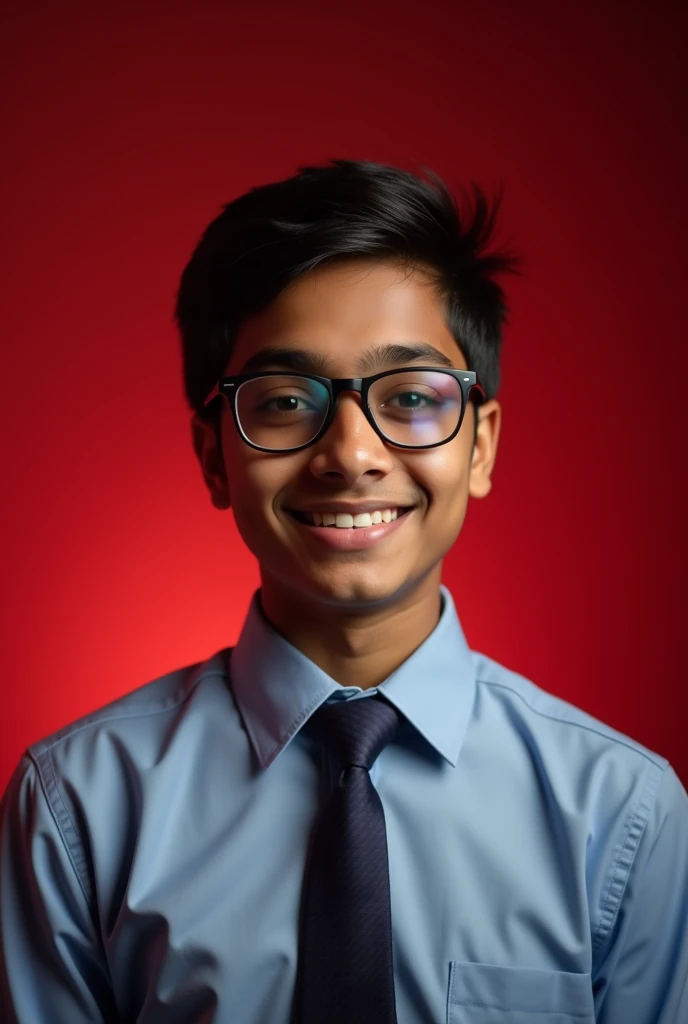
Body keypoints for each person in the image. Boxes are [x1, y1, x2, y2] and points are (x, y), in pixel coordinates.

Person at [1, 160, 686, 1024]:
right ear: (215, 454)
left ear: (479, 446)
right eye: (286, 399)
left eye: (410, 397)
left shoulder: (622, 815)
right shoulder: (79, 806)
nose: (351, 454)